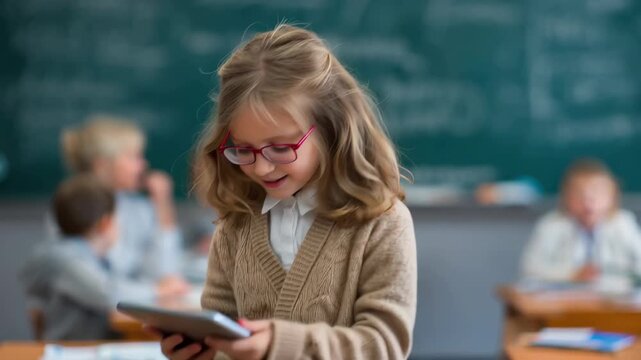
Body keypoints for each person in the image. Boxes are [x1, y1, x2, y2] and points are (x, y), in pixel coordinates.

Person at [156, 25, 417, 359]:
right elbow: (222, 332)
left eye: (280, 148)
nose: (262, 168)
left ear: (331, 130)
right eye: (244, 149)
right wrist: (200, 352)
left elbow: (385, 346)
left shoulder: (383, 223)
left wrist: (278, 344)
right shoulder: (236, 223)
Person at [56, 115, 189, 299]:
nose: (143, 165)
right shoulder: (71, 210)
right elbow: (98, 287)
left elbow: (164, 273)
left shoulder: (138, 208)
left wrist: (162, 204)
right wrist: (154, 290)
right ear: (102, 165)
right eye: (134, 157)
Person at [21, 175, 134, 339]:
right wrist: (158, 291)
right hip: (72, 349)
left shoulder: (93, 257)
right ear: (106, 223)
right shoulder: (64, 260)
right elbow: (107, 293)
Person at [521, 158, 641, 285]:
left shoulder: (623, 223)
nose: (588, 203)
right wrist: (572, 274)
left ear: (612, 196)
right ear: (566, 197)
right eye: (580, 195)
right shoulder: (552, 225)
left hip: (614, 299)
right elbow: (529, 269)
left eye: (597, 194)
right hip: (562, 300)